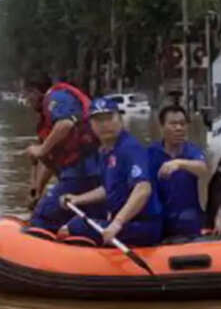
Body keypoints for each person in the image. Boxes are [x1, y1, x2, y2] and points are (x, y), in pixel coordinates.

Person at [59, 97, 163, 246]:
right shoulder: (106, 151)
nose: (104, 125)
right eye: (98, 121)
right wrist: (77, 199)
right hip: (125, 222)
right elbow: (109, 189)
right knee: (79, 219)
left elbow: (143, 189)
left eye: (109, 118)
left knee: (73, 227)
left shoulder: (129, 148)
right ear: (91, 125)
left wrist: (117, 223)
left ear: (119, 119)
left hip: (143, 226)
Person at [22, 75, 103, 231]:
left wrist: (41, 149)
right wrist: (38, 189)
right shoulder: (48, 119)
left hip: (83, 171)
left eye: (27, 95)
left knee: (42, 217)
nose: (27, 101)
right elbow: (51, 160)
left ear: (35, 92)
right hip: (82, 173)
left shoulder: (56, 97)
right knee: (85, 219)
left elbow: (65, 124)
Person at [147, 105, 209, 239]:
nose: (179, 128)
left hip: (188, 216)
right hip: (159, 216)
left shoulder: (191, 150)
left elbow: (203, 169)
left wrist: (180, 163)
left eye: (182, 124)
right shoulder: (150, 152)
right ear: (162, 127)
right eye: (173, 124)